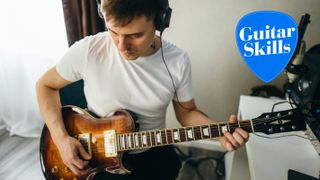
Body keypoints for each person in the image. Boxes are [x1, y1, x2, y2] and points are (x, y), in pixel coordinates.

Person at [36, 0, 249, 179]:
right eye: (113, 32)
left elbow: (186, 112)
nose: (121, 46)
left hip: (152, 154)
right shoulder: (89, 50)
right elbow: (44, 85)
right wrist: (62, 139)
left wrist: (220, 132)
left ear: (159, 21)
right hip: (94, 160)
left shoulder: (177, 61)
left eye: (135, 35)